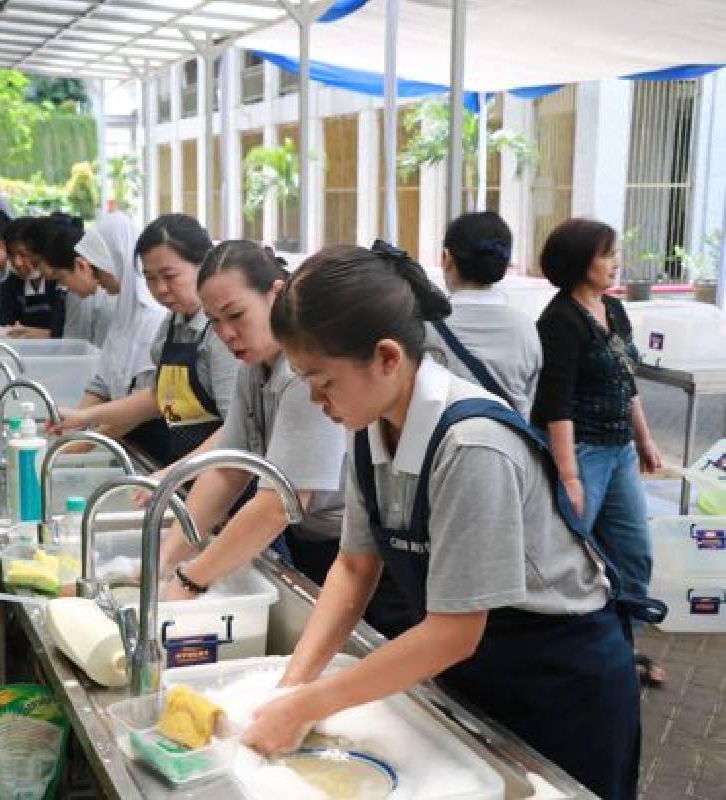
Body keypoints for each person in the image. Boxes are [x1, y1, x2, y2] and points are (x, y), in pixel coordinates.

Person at [242, 241, 641, 800]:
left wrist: (313, 703)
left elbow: (455, 631)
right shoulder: (369, 428)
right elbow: (355, 568)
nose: (314, 399)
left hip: (558, 682)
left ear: (387, 357)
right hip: (476, 672)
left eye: (323, 380)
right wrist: (292, 687)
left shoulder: (472, 444)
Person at [158, 241, 348, 591]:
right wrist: (163, 561)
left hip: (350, 545)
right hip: (309, 535)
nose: (226, 334)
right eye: (214, 321)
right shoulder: (254, 367)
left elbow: (277, 505)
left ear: (276, 295)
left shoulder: (304, 373)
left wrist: (190, 579)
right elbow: (227, 473)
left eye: (236, 315)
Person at [532, 217, 667, 688]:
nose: (614, 263)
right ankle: (563, 652)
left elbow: (626, 382)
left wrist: (645, 439)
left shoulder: (615, 310)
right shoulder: (559, 321)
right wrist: (569, 476)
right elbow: (556, 402)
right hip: (581, 452)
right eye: (605, 254)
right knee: (569, 556)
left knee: (633, 553)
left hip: (620, 452)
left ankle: (620, 652)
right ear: (578, 262)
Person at [51, 214, 239, 463]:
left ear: (204, 265)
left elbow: (235, 433)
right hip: (186, 470)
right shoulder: (170, 326)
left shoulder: (222, 336)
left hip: (223, 478)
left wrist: (169, 476)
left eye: (170, 276)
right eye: (150, 278)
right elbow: (158, 397)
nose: (160, 288)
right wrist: (83, 417)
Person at [59, 212, 170, 462]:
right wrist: (72, 425)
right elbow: (102, 383)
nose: (96, 281)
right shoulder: (123, 312)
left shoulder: (155, 317)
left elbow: (141, 405)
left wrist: (78, 446)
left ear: (116, 261)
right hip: (123, 439)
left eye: (98, 271)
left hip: (151, 445)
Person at [424, 211, 542, 416]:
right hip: (511, 443)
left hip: (446, 443)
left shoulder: (424, 328)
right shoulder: (527, 328)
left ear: (447, 258)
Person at [27, 214, 113, 347]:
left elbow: (75, 347)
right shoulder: (97, 294)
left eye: (61, 278)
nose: (64, 286)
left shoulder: (103, 299)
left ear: (81, 265)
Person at [0, 216, 66, 338]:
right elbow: (6, 324)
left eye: (23, 254)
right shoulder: (10, 282)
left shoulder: (61, 283)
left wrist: (33, 333)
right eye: (12, 255)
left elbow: (65, 333)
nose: (17, 262)